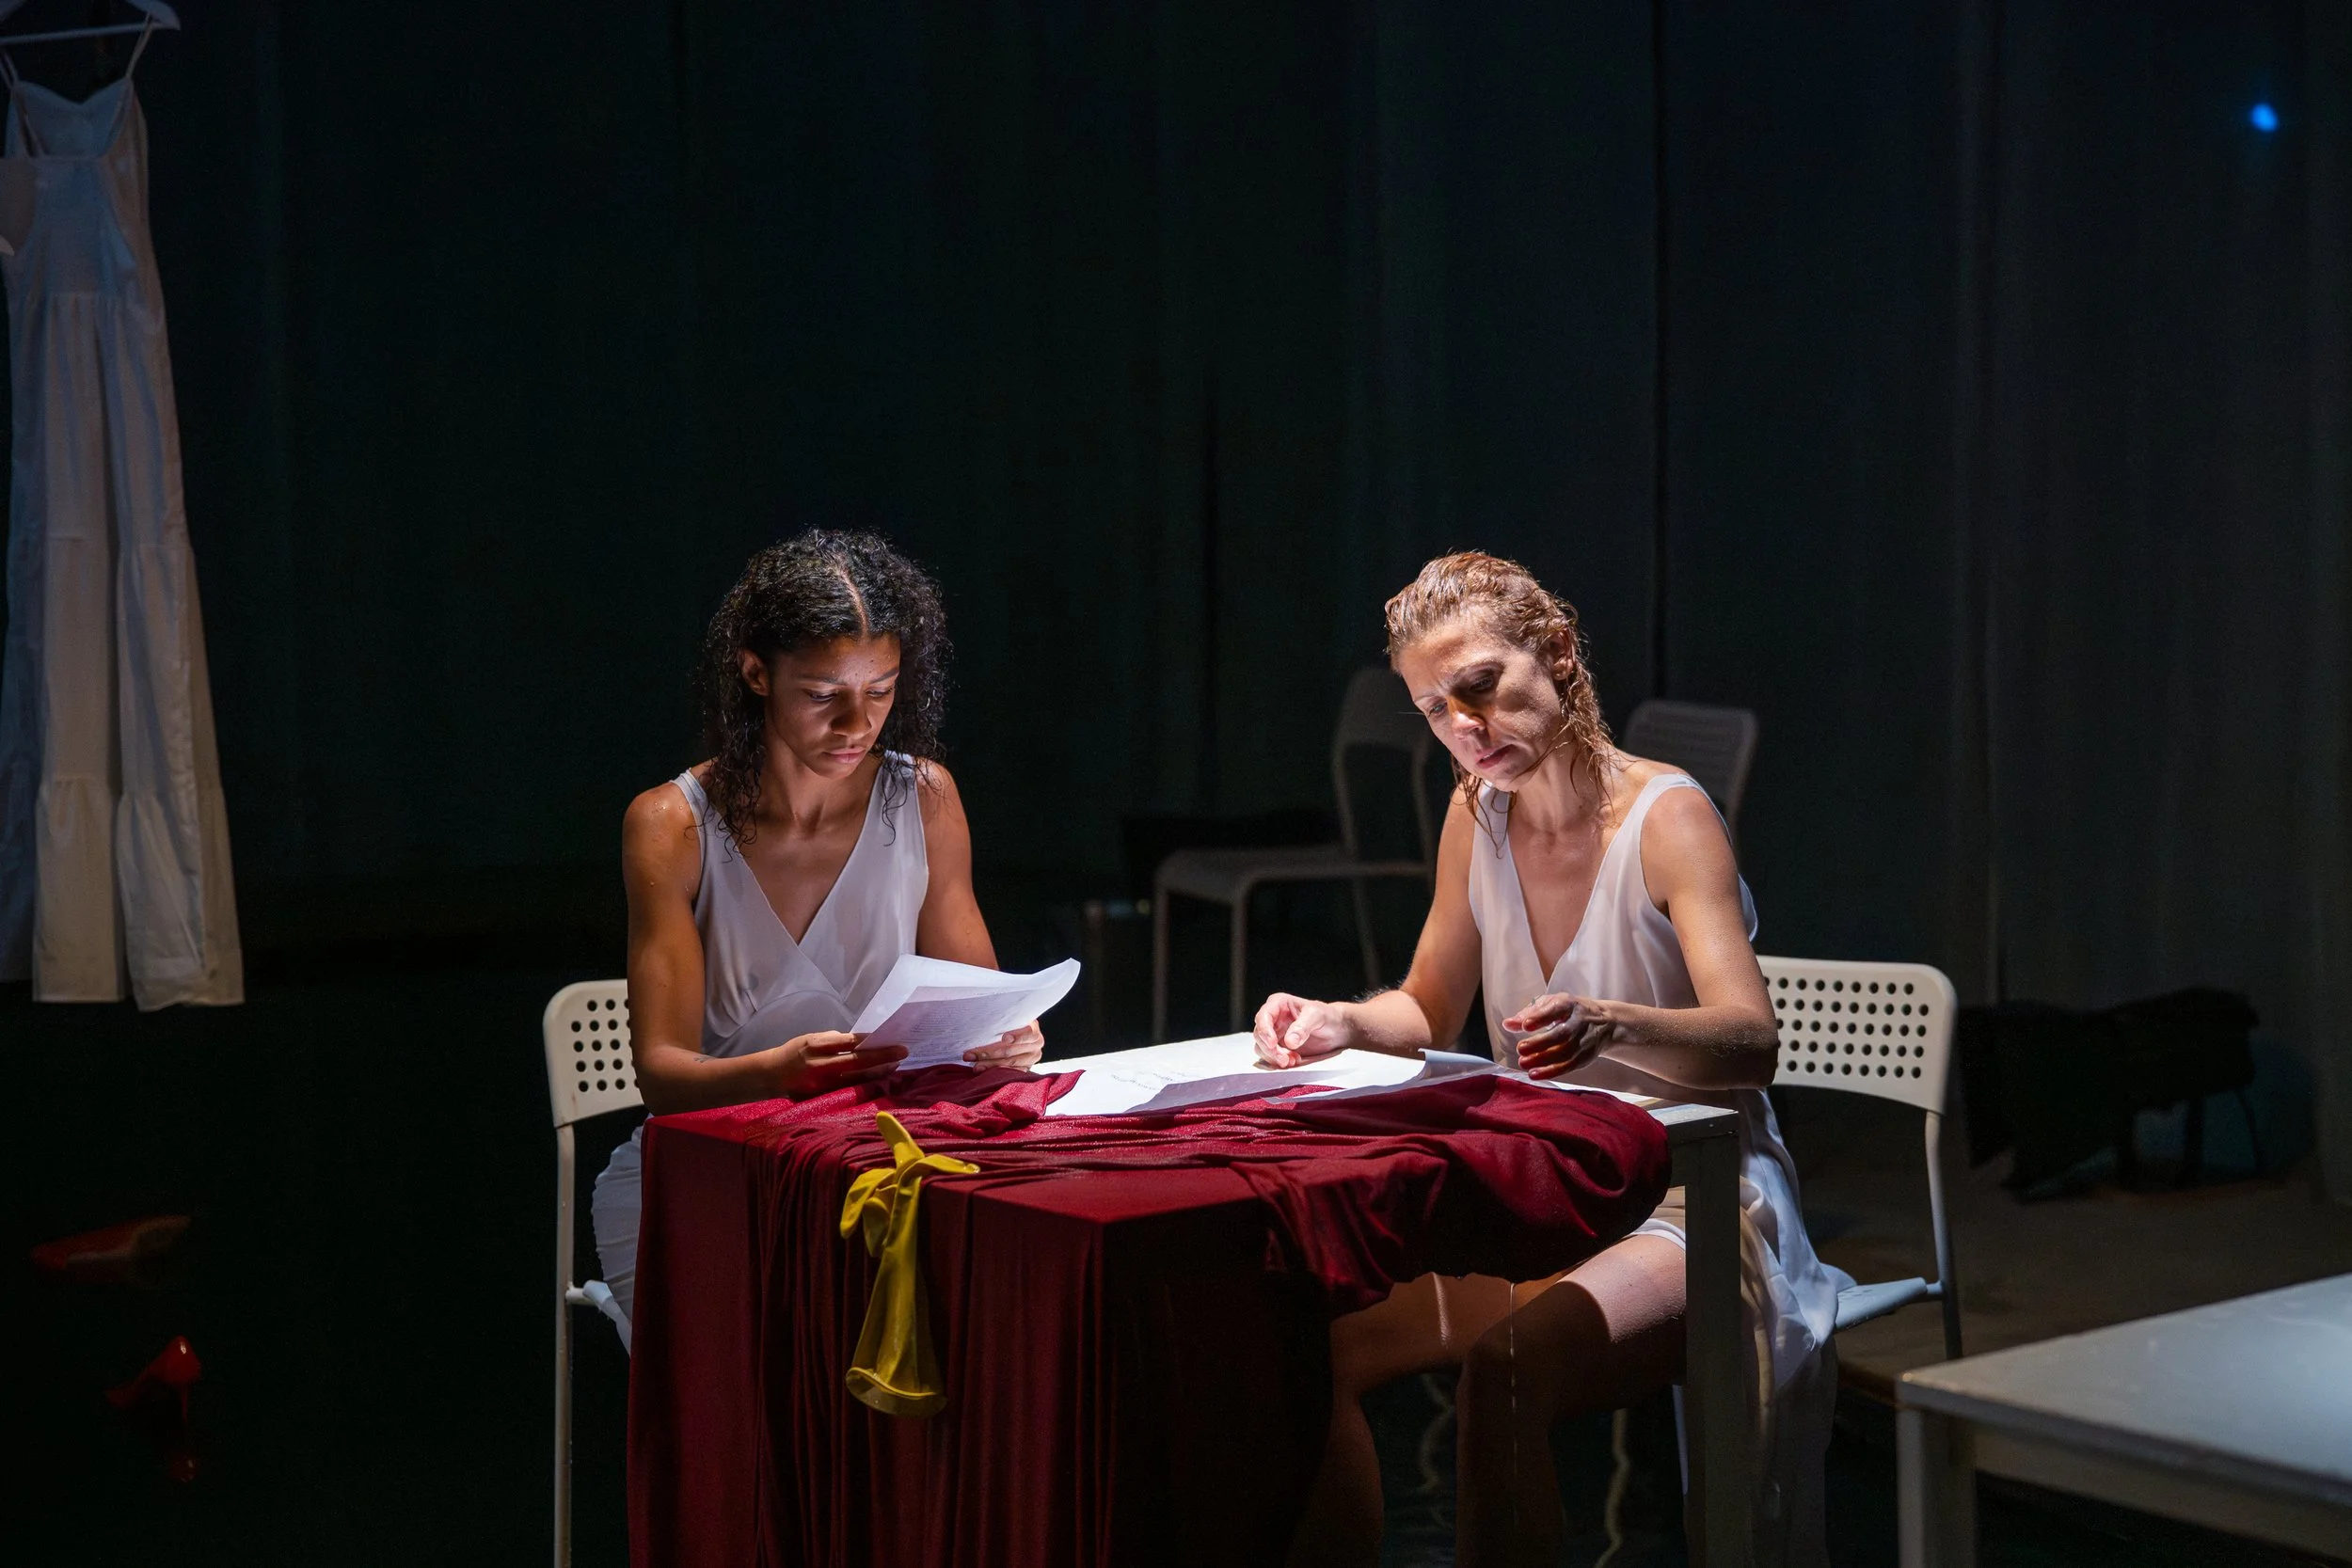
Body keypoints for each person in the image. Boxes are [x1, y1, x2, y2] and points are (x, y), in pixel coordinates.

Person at [1253, 552, 1848, 1568]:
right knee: (1313, 1335)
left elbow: (1751, 1039)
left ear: (1558, 653)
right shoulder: (1473, 814)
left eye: (1479, 686)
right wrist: (1343, 1021)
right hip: (1551, 1183)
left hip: (1692, 1196)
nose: (1464, 729)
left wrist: (1612, 1021)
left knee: (1507, 1369)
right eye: (1435, 709)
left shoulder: (1668, 817)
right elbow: (1427, 1001)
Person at [591, 531, 1042, 1348]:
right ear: (755, 673)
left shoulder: (924, 798)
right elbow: (661, 1076)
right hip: (708, 1172)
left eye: (881, 690)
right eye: (822, 692)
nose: (855, 722)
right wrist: (783, 1072)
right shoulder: (670, 825)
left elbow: (981, 1006)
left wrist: (1006, 1035)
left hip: (872, 1163)